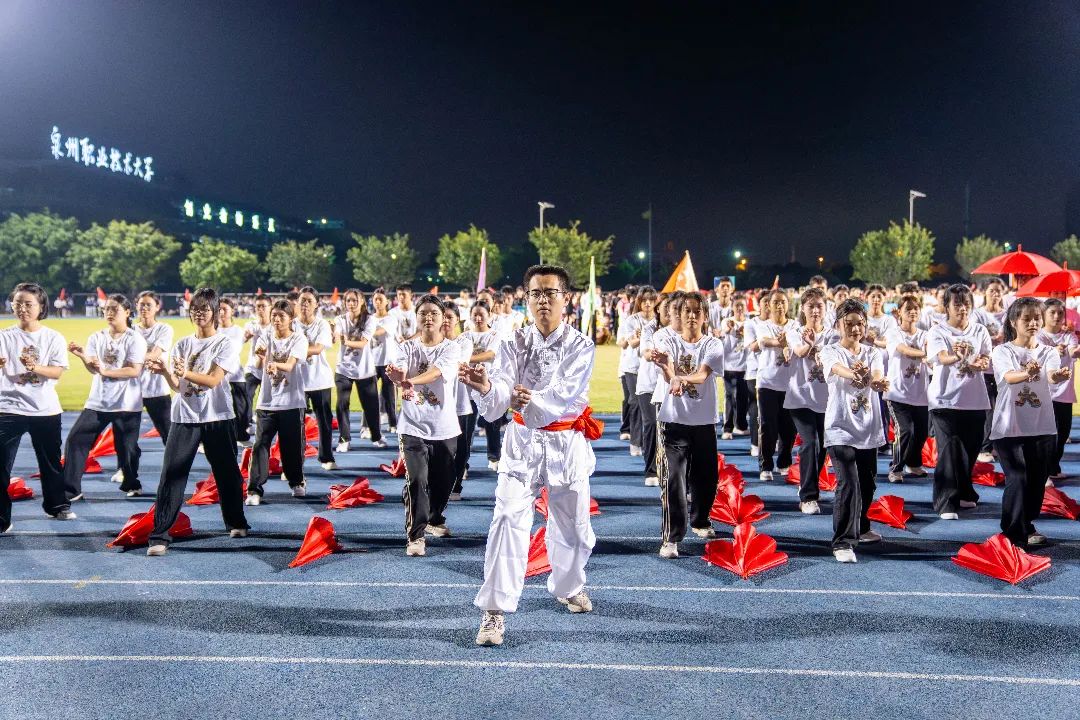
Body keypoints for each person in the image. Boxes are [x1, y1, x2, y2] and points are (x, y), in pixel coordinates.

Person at [462, 265, 601, 647]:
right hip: (522, 442)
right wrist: (486, 387)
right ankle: (494, 610)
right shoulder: (513, 342)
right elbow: (501, 396)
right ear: (527, 298)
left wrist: (528, 398)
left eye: (550, 292)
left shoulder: (581, 345)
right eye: (536, 293)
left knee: (574, 529)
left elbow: (562, 395)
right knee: (506, 519)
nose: (543, 300)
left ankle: (569, 585)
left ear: (565, 298)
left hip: (565, 443)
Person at [144, 288, 249, 556]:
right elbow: (177, 386)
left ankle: (236, 521)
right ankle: (160, 535)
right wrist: (165, 371)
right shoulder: (182, 344)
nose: (198, 313)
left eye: (204, 309)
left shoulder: (224, 343)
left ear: (215, 312)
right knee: (171, 474)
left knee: (227, 473)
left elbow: (213, 380)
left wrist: (186, 372)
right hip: (185, 416)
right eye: (195, 309)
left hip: (218, 416)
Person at [991, 297, 1071, 547]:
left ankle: (1026, 523)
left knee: (1037, 482)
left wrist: (1058, 376)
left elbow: (1052, 375)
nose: (1033, 323)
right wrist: (1028, 373)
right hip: (1009, 426)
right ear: (1013, 322)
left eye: (1037, 318)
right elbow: (1009, 377)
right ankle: (1013, 533)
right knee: (1017, 478)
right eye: (1026, 319)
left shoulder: (1048, 352)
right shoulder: (1002, 351)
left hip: (1041, 426)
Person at [386, 294, 462, 556]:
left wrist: (410, 382)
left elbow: (436, 372)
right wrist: (397, 377)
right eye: (423, 313)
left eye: (434, 313)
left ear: (442, 319)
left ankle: (433, 517)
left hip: (444, 426)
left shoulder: (451, 348)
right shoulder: (406, 347)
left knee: (445, 482)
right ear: (416, 317)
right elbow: (399, 371)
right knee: (417, 480)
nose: (428, 318)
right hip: (412, 426)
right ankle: (415, 536)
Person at [651, 292, 723, 558]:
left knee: (706, 478)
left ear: (705, 316)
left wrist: (678, 378)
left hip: (703, 421)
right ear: (679, 315)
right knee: (674, 478)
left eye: (697, 311)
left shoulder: (713, 344)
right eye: (687, 311)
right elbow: (667, 370)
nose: (692, 316)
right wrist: (669, 372)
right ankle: (671, 537)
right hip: (674, 420)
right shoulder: (669, 340)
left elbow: (702, 375)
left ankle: (700, 520)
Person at [820, 299, 889, 563]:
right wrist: (853, 374)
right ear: (838, 325)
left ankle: (861, 526)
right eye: (849, 324)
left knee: (867, 483)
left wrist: (878, 382)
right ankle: (843, 541)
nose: (855, 329)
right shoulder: (830, 351)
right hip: (840, 427)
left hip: (867, 429)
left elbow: (878, 375)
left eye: (860, 323)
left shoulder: (873, 353)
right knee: (848, 483)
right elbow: (836, 369)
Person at [0, 283, 72, 531]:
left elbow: (57, 372)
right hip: (8, 407)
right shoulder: (4, 336)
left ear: (41, 307)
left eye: (28, 304)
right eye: (17, 303)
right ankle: (2, 519)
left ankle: (57, 505)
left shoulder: (53, 337)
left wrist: (34, 367)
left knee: (50, 462)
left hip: (45, 409)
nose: (22, 308)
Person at [64, 294, 147, 499]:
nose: (109, 313)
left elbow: (134, 370)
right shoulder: (96, 337)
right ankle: (71, 490)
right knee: (76, 440)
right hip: (98, 402)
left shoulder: (135, 339)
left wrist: (106, 371)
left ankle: (131, 482)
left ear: (127, 312)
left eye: (114, 309)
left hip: (127, 404)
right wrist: (83, 356)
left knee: (127, 450)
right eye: (106, 309)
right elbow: (94, 369)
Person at [926, 284, 992, 520]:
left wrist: (981, 363)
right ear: (946, 307)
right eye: (957, 304)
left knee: (971, 449)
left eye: (966, 303)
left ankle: (964, 491)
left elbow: (986, 357)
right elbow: (942, 358)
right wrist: (958, 356)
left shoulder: (979, 330)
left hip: (974, 399)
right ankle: (946, 502)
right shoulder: (938, 331)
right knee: (949, 450)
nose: (962, 308)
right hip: (945, 400)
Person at [245, 299, 309, 504]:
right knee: (260, 445)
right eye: (274, 316)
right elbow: (257, 364)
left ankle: (296, 481)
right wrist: (260, 356)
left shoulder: (299, 339)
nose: (277, 320)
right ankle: (254, 490)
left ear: (291, 318)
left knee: (291, 446)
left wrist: (274, 365)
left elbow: (290, 366)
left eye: (281, 316)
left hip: (292, 402)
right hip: (267, 402)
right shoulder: (265, 336)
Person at [785, 288, 836, 514]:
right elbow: (800, 351)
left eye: (819, 306)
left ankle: (810, 483)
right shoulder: (794, 331)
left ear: (826, 309)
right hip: (800, 397)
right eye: (811, 306)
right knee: (810, 442)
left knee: (823, 446)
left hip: (826, 399)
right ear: (802, 309)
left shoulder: (834, 334)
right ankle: (808, 496)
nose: (815, 310)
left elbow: (835, 357)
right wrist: (810, 344)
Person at [883, 295, 930, 483]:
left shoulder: (925, 335)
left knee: (921, 432)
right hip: (897, 393)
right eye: (908, 309)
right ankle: (896, 468)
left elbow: (933, 351)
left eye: (916, 309)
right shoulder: (894, 334)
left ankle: (913, 463)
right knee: (905, 431)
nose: (912, 312)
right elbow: (903, 349)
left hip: (921, 393)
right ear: (899, 312)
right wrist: (926, 354)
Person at [334, 289, 387, 452]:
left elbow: (363, 343)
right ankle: (344, 439)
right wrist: (334, 334)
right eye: (348, 300)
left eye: (354, 300)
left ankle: (376, 436)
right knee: (341, 404)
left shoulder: (370, 320)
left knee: (371, 406)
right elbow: (336, 332)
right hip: (343, 368)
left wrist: (346, 341)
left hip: (364, 369)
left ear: (362, 301)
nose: (351, 304)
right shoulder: (340, 319)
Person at [754, 289, 798, 480]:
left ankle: (784, 462)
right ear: (768, 305)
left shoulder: (795, 325)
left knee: (789, 427)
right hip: (767, 383)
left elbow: (796, 343)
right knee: (767, 425)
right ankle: (766, 466)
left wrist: (788, 345)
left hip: (790, 384)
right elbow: (764, 341)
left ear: (788, 305)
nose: (779, 306)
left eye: (782, 302)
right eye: (775, 302)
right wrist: (780, 342)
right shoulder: (763, 325)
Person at [1036, 298, 1080, 483]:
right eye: (1052, 312)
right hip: (1044, 393)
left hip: (1064, 394)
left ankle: (1053, 467)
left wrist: (1074, 351)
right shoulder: (1038, 336)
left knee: (1063, 434)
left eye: (1060, 313)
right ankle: (1043, 473)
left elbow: (1073, 351)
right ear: (1043, 315)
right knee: (1047, 436)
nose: (1057, 316)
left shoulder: (1069, 336)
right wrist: (1054, 350)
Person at [295, 286, 337, 471]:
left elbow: (318, 348)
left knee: (324, 421)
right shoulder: (292, 324)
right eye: (302, 300)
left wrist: (294, 350)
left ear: (317, 305)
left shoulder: (322, 325)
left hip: (319, 379)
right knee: (295, 424)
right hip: (297, 381)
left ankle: (326, 457)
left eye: (309, 301)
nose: (305, 304)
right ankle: (296, 461)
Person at [463, 301, 506, 472]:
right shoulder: (465, 336)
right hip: (467, 387)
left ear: (489, 315)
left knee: (492, 423)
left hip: (489, 386)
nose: (478, 318)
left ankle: (494, 457)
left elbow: (490, 354)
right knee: (466, 428)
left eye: (482, 314)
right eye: (475, 314)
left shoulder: (495, 335)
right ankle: (462, 464)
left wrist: (465, 358)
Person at [973, 278, 1007, 462]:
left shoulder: (1008, 314)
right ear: (985, 292)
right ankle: (984, 448)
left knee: (1003, 409)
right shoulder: (978, 314)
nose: (995, 294)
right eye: (992, 290)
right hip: (984, 369)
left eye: (998, 291)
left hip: (1003, 369)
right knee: (989, 409)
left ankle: (996, 445)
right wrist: (994, 338)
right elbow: (975, 336)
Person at [635, 294, 667, 486]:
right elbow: (646, 353)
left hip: (668, 386)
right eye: (665, 308)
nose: (670, 312)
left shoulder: (679, 330)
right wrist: (657, 354)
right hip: (648, 384)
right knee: (651, 424)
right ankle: (651, 470)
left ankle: (667, 467)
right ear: (658, 309)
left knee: (668, 428)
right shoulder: (649, 329)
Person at [134, 291, 174, 448]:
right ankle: (128, 464)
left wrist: (132, 357)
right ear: (136, 306)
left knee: (169, 435)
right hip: (132, 391)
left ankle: (175, 463)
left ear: (157, 307)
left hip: (157, 389)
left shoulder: (164, 329)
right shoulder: (130, 330)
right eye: (141, 304)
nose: (144, 308)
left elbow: (155, 354)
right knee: (126, 437)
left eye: (148, 305)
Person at [443, 304, 474, 500]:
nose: (446, 320)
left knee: (461, 446)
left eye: (449, 317)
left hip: (459, 401)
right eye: (443, 316)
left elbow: (457, 365)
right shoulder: (431, 340)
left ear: (457, 320)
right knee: (439, 446)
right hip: (438, 402)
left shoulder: (464, 342)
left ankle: (456, 486)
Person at [217, 297, 250, 445]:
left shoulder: (238, 331)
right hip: (217, 377)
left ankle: (241, 436)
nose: (221, 312)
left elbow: (233, 349)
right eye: (219, 309)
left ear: (232, 311)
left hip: (235, 375)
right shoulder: (212, 330)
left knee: (241, 410)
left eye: (225, 309)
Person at [718, 294, 750, 440]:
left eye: (742, 305)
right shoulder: (727, 321)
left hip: (745, 366)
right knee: (730, 397)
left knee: (743, 397)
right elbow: (723, 330)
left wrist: (745, 332)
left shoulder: (750, 323)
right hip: (729, 365)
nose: (739, 308)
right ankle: (727, 428)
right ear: (732, 307)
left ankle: (741, 425)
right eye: (737, 305)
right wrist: (728, 329)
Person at [241, 295, 273, 441]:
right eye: (257, 306)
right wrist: (246, 337)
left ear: (270, 307)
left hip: (269, 369)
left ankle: (265, 427)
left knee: (267, 400)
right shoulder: (251, 325)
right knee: (246, 396)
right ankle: (247, 423)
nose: (260, 309)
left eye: (263, 306)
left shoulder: (275, 325)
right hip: (252, 367)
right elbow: (241, 340)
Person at [371, 288, 401, 435]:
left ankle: (393, 424)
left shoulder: (391, 318)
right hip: (371, 362)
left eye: (380, 299)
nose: (377, 302)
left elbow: (380, 332)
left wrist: (364, 332)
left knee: (389, 396)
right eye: (375, 299)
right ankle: (369, 426)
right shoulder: (369, 318)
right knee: (370, 396)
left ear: (387, 301)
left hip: (388, 362)